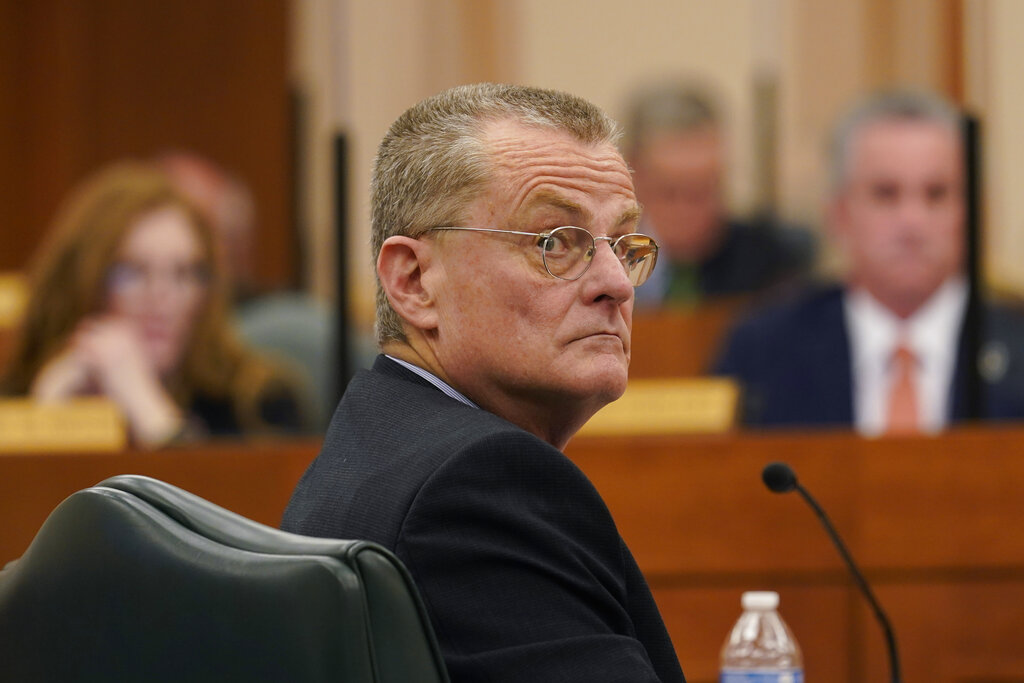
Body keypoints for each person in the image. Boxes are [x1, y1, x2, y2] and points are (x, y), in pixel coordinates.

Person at [281, 84, 684, 682]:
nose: (617, 285)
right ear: (414, 281)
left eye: (624, 245)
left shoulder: (381, 446)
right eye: (556, 242)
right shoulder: (479, 486)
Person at [713, 89, 1024, 433]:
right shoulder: (765, 350)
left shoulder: (1016, 344)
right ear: (839, 213)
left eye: (937, 194)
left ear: (972, 214)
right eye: (885, 194)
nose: (912, 222)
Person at [0, 162, 311, 447]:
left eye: (184, 273)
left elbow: (227, 504)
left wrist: (152, 412)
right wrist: (46, 420)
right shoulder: (18, 395)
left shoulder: (259, 404)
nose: (163, 296)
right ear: (81, 280)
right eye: (133, 272)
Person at [622, 83, 813, 308]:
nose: (686, 212)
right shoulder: (602, 260)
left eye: (703, 192)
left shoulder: (771, 264)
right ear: (633, 175)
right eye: (670, 193)